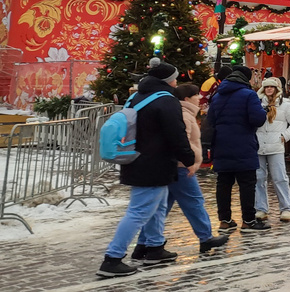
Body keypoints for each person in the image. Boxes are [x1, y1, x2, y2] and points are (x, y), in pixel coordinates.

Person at [98, 61, 196, 278]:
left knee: (158, 206)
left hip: (138, 159)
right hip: (155, 163)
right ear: (168, 80)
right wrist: (188, 158)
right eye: (175, 77)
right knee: (139, 211)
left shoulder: (137, 96)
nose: (177, 80)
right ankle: (112, 259)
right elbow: (176, 134)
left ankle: (154, 247)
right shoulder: (167, 100)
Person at [131, 83, 228, 262]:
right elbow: (181, 141)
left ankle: (143, 244)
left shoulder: (184, 112)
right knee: (194, 201)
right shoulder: (183, 114)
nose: (199, 98)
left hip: (176, 166)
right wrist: (190, 160)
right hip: (182, 167)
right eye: (196, 95)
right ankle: (205, 237)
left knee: (161, 208)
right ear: (186, 99)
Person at [209, 65, 269, 232]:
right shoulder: (249, 95)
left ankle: (225, 220)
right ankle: (248, 221)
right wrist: (263, 112)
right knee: (247, 183)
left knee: (223, 183)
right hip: (243, 144)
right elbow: (257, 119)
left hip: (221, 143)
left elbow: (211, 120)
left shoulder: (217, 96)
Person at [255, 78, 290, 223]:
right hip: (258, 146)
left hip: (276, 146)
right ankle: (261, 208)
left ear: (276, 89)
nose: (269, 89)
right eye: (266, 87)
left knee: (280, 177)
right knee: (258, 178)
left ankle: (287, 207)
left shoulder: (286, 105)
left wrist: (285, 136)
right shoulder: (256, 104)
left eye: (271, 87)